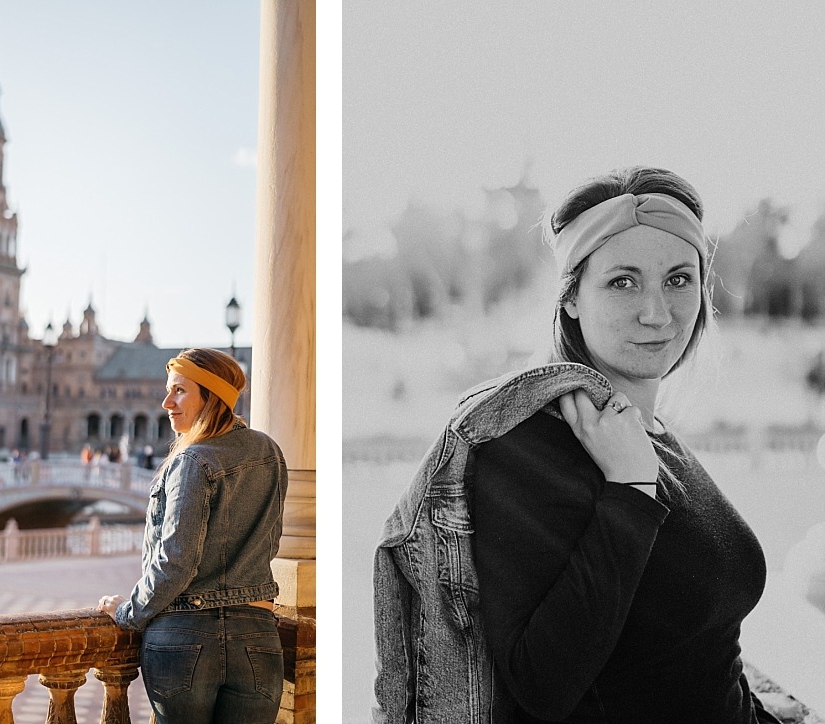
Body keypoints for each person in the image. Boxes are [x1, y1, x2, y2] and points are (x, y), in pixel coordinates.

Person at [373, 167, 780, 723]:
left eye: (679, 279)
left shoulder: (654, 435)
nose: (657, 312)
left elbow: (703, 660)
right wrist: (631, 492)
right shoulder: (522, 448)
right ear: (570, 299)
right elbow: (541, 686)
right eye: (623, 281)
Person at [96, 348, 288, 724]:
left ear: (211, 397)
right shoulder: (270, 453)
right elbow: (270, 542)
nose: (166, 402)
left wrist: (127, 611)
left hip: (184, 639)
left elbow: (174, 561)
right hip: (258, 636)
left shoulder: (192, 460)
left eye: (180, 391)